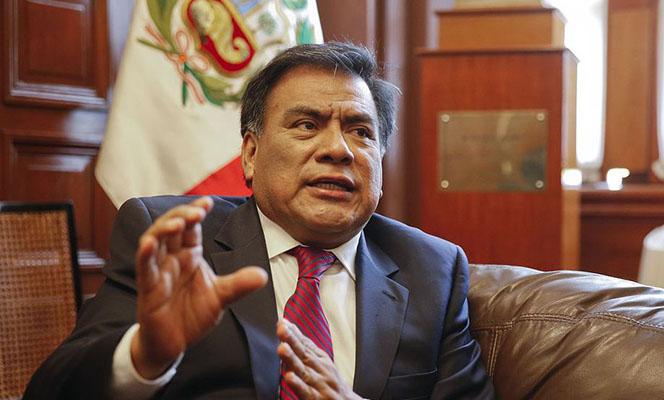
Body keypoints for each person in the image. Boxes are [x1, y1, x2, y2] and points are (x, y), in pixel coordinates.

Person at [25, 42, 495, 399]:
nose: (338, 149)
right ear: (250, 155)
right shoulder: (176, 239)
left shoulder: (431, 269)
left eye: (360, 131)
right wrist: (146, 354)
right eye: (307, 125)